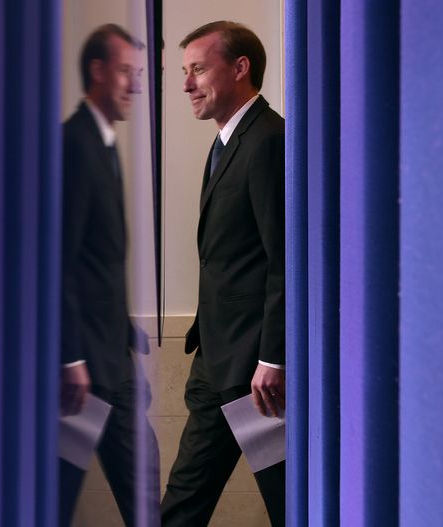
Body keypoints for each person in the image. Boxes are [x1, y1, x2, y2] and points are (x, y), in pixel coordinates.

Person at [160, 21, 286, 527]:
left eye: (197, 69)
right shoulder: (226, 144)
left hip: (256, 376)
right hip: (217, 362)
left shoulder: (268, 141)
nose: (187, 84)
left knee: (287, 502)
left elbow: (284, 259)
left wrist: (273, 359)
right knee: (183, 501)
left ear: (240, 68)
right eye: (184, 72)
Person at [59, 23, 160, 527]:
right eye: (126, 72)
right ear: (97, 71)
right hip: (83, 372)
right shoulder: (74, 144)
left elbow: (101, 262)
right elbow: (62, 259)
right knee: (59, 489)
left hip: (111, 362)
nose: (135, 86)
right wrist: (70, 355)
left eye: (137, 74)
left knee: (142, 487)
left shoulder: (102, 142)